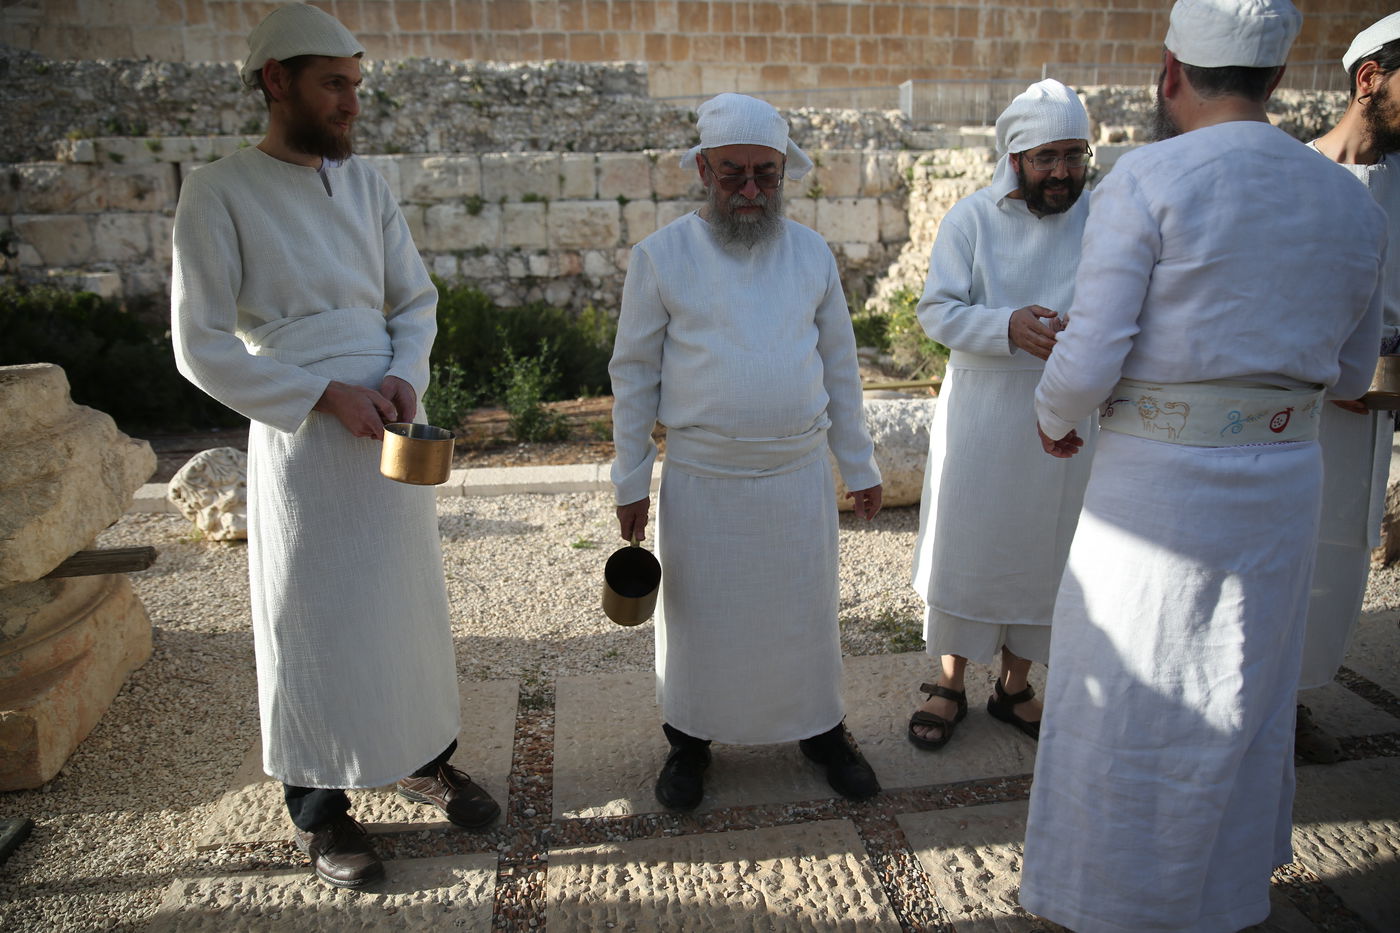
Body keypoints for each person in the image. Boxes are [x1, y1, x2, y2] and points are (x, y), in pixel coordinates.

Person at [1020, 0, 1386, 929]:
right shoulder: (1349, 197)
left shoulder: (1146, 179)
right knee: (1239, 685)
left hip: (1159, 491)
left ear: (1170, 73)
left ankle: (1113, 899)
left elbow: (1092, 353)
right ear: (1274, 80)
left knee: (1133, 700)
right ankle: (1215, 897)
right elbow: (1349, 370)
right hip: (1281, 485)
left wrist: (1054, 414)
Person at [171, 3, 498, 889]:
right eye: (334, 84)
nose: (352, 103)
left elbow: (414, 300)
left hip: (389, 430)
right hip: (304, 442)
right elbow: (198, 345)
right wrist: (321, 393)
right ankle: (320, 808)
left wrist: (403, 374)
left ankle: (422, 756)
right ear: (276, 81)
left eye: (357, 85)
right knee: (309, 617)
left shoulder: (366, 185)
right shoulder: (218, 191)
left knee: (404, 607)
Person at [609, 93, 885, 811]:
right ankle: (690, 741)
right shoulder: (661, 256)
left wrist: (860, 465)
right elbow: (634, 376)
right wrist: (629, 479)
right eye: (734, 174)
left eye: (766, 174)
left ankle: (821, 731)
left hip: (795, 475)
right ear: (703, 167)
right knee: (700, 623)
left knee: (805, 617)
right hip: (705, 478)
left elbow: (841, 369)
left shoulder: (811, 253)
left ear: (784, 169)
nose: (752, 191)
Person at [906, 79, 1095, 752]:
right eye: (1048, 157)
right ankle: (950, 681)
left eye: (1074, 154)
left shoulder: (1102, 219)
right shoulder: (971, 219)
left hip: (1067, 411)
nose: (1063, 172)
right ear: (1016, 156)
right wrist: (1006, 325)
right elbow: (937, 310)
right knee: (970, 541)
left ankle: (1013, 685)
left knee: (1048, 547)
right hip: (985, 413)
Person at [1294, 11, 1400, 763]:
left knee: (1336, 564)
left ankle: (1294, 698)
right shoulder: (1298, 179)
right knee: (1286, 559)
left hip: (1374, 416)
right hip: (1300, 416)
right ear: (1370, 80)